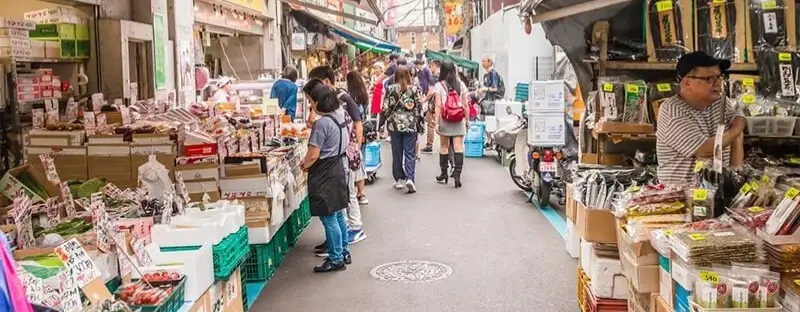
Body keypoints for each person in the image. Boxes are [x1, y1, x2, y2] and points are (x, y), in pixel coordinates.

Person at [656, 51, 745, 184]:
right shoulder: (672, 111)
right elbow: (705, 150)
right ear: (686, 83)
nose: (717, 83)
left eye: (719, 77)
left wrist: (735, 179)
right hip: (680, 196)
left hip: (717, 189)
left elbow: (739, 116)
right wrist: (736, 131)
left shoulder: (721, 102)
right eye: (709, 78)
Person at [306, 66, 367, 251]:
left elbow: (358, 124)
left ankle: (344, 243)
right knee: (339, 209)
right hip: (341, 159)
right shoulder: (335, 112)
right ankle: (340, 248)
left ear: (325, 82)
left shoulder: (339, 105)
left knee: (337, 207)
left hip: (338, 162)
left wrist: (356, 147)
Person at [300, 79, 351, 273]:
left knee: (329, 218)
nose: (311, 106)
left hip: (324, 173)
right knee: (337, 214)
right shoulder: (338, 116)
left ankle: (336, 259)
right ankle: (344, 251)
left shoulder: (322, 125)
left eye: (312, 102)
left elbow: (314, 154)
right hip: (337, 166)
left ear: (319, 103)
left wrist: (304, 165)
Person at [382, 66, 423, 193]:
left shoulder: (390, 89)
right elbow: (419, 106)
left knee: (397, 152)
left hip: (394, 125)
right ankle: (410, 178)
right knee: (410, 153)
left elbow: (385, 107)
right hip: (410, 124)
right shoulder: (414, 89)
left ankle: (399, 178)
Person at [433, 61, 469, 188]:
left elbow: (438, 105)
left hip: (445, 118)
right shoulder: (461, 84)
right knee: (458, 147)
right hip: (459, 119)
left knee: (444, 147)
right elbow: (465, 105)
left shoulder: (439, 85)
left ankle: (444, 173)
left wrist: (436, 122)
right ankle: (457, 174)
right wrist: (467, 120)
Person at [346, 71, 371, 205]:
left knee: (356, 162)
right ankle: (361, 192)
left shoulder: (351, 99)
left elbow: (356, 121)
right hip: (364, 131)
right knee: (361, 160)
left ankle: (360, 192)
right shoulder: (363, 95)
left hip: (355, 133)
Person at [421, 60, 441, 153]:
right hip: (444, 103)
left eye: (431, 66)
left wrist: (424, 100)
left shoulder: (433, 77)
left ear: (434, 66)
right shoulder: (445, 76)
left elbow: (431, 91)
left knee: (430, 124)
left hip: (433, 103)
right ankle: (445, 144)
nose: (430, 68)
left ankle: (429, 145)